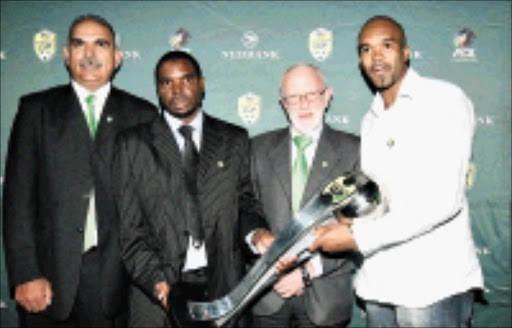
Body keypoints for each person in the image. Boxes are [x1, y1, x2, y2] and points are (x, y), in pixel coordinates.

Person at [307, 15, 484, 327]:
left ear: (406, 52)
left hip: (432, 286)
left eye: (386, 46)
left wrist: (354, 237)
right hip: (379, 282)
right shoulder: (371, 119)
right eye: (366, 49)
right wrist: (351, 218)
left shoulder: (443, 99)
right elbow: (386, 199)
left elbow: (442, 201)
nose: (376, 57)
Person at [2, 14, 157, 327]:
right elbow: (17, 199)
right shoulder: (35, 109)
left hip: (113, 283)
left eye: (101, 44)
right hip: (45, 279)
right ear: (65, 55)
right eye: (78, 44)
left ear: (117, 57)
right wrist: (26, 272)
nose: (89, 54)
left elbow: (152, 202)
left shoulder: (142, 114)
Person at [112, 50, 273, 327]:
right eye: (167, 82)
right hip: (158, 293)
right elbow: (129, 229)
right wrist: (157, 282)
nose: (177, 90)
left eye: (186, 80)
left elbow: (245, 204)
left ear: (202, 83)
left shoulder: (233, 139)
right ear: (158, 89)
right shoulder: (133, 144)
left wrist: (256, 234)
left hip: (225, 288)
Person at [249, 64, 360, 327]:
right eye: (293, 97)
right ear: (282, 102)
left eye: (311, 94)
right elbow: (246, 209)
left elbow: (359, 227)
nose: (303, 104)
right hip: (266, 296)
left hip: (325, 300)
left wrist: (308, 270)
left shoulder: (354, 150)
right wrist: (257, 239)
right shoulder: (257, 149)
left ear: (327, 95)